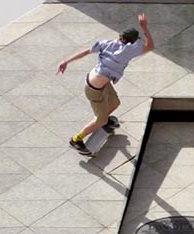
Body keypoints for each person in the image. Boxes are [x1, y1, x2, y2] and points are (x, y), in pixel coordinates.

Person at [57, 13, 154, 155]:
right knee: (100, 119)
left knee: (115, 103)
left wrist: (66, 61)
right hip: (93, 90)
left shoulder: (106, 43)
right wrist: (145, 28)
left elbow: (85, 52)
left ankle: (103, 120)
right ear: (131, 42)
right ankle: (76, 139)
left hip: (99, 82)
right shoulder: (129, 50)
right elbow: (150, 46)